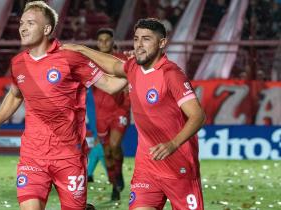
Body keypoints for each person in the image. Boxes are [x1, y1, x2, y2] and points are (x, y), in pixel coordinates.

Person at [0, 1, 127, 210]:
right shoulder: (18, 63)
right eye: (21, 23)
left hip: (68, 155)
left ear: (46, 29)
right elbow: (15, 94)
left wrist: (135, 70)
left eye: (30, 23)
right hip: (33, 155)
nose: (23, 28)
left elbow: (110, 85)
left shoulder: (70, 59)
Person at [62, 18, 206, 210]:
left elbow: (198, 116)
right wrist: (81, 50)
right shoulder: (133, 67)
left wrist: (173, 144)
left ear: (162, 42)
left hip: (178, 167)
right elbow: (113, 67)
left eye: (146, 39)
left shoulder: (171, 75)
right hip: (147, 167)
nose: (139, 44)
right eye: (136, 38)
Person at [91, 28, 130, 201]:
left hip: (120, 109)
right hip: (100, 115)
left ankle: (119, 174)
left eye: (107, 40)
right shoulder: (91, 61)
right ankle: (114, 185)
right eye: (101, 40)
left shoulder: (123, 59)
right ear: (97, 43)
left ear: (112, 41)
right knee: (106, 152)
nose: (104, 43)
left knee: (114, 145)